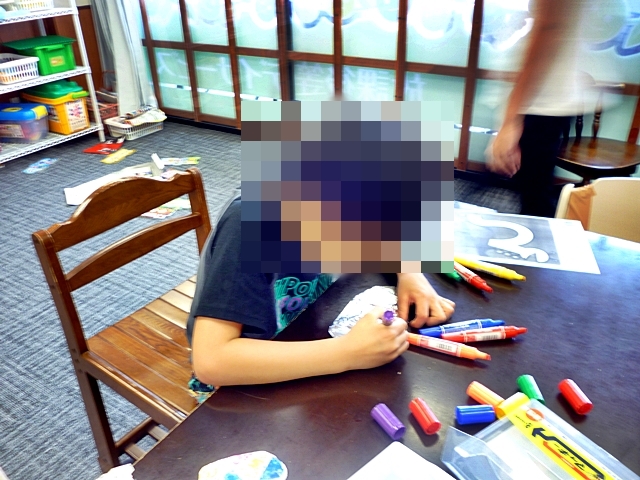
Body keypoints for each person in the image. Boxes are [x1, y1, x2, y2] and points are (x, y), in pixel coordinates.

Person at [187, 189, 455, 392]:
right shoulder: (249, 223)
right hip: (249, 377)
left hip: (311, 331)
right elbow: (212, 362)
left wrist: (409, 272)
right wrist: (346, 353)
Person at [487, 0, 589, 217]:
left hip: (540, 104)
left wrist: (511, 121)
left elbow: (549, 29)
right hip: (544, 101)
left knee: (535, 199)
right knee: (534, 193)